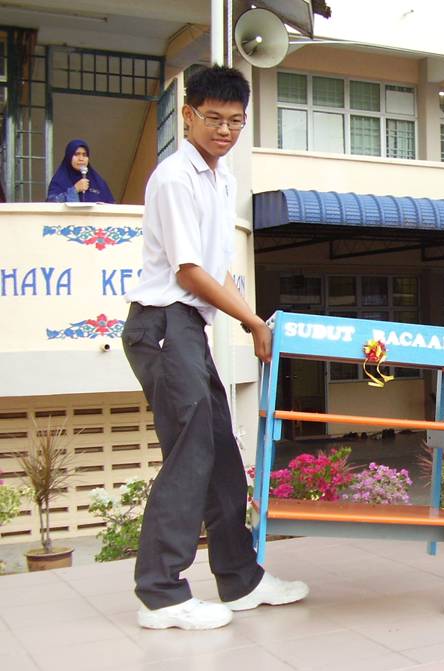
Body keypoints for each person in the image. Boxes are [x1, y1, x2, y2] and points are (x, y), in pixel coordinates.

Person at [122, 66, 307, 630]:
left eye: (236, 121)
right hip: (161, 325)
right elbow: (188, 272)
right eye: (214, 118)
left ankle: (240, 579)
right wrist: (252, 322)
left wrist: (252, 319)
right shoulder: (174, 177)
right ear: (188, 115)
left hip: (186, 327)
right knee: (191, 455)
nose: (225, 130)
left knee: (222, 451)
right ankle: (161, 593)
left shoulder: (222, 179)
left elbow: (219, 271)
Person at [46, 139, 115, 203]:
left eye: (84, 155)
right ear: (69, 157)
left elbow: (111, 206)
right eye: (77, 154)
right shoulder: (60, 180)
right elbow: (50, 203)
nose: (81, 159)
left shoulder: (97, 181)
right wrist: (75, 190)